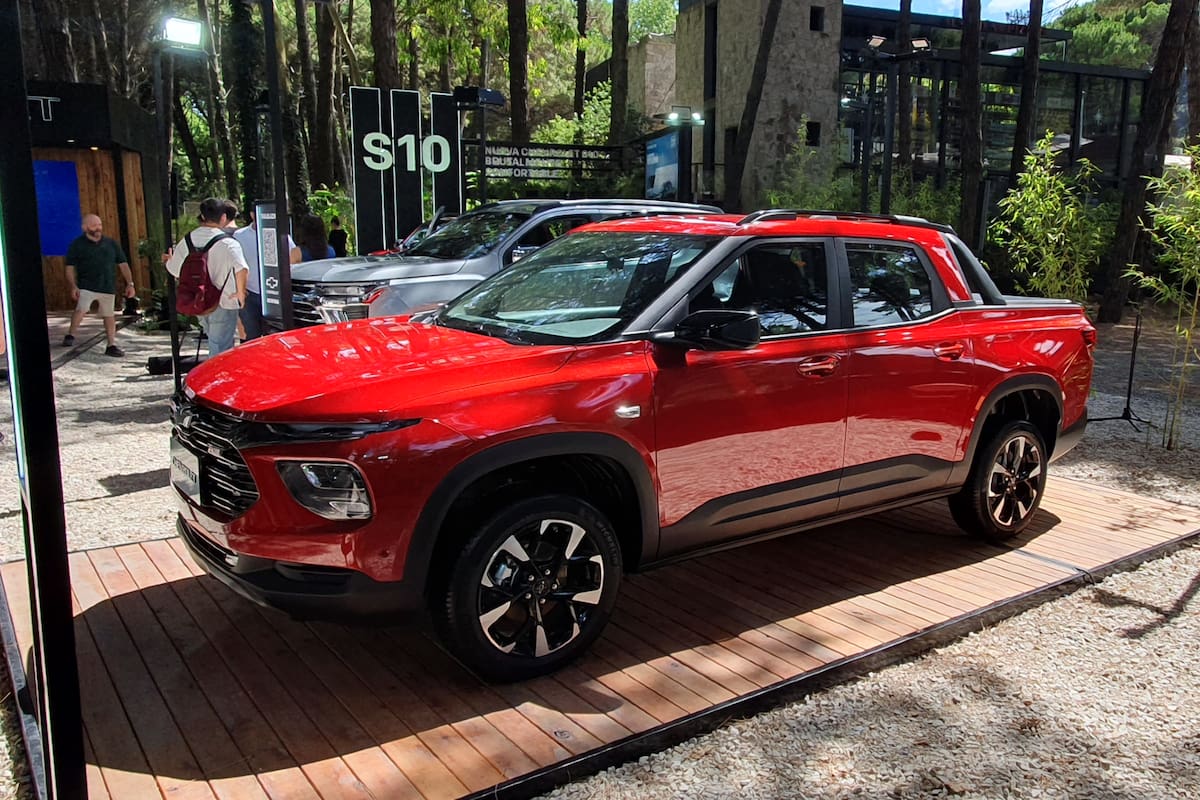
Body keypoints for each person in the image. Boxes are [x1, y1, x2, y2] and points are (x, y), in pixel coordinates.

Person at [164, 198, 249, 357]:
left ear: (202, 216)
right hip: (223, 301)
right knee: (220, 348)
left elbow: (175, 270)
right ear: (223, 218)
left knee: (214, 342)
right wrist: (240, 293)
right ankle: (217, 379)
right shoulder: (229, 243)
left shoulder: (187, 240)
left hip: (199, 300)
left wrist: (168, 260)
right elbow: (242, 268)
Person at [63, 213, 136, 357]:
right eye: (94, 225)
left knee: (109, 315)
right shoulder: (77, 245)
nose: (98, 228)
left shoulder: (111, 244)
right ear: (85, 227)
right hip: (86, 286)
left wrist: (130, 283)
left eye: (99, 225)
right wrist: (73, 286)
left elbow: (123, 264)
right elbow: (69, 267)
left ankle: (111, 345)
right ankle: (71, 334)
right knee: (81, 310)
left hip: (107, 286)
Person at [233, 210, 298, 341]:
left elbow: (292, 257)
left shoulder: (279, 233)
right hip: (249, 293)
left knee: (275, 336)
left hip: (273, 292)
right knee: (250, 336)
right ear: (252, 214)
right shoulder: (239, 235)